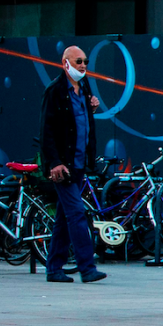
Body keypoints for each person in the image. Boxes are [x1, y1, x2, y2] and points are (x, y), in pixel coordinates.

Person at [39, 45, 107, 283]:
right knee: (77, 213)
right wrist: (54, 163)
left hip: (79, 164)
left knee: (64, 218)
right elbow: (46, 131)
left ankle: (54, 268)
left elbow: (81, 123)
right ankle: (87, 268)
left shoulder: (84, 88)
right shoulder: (55, 90)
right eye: (78, 61)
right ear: (65, 62)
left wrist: (92, 109)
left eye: (85, 61)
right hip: (64, 166)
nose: (83, 66)